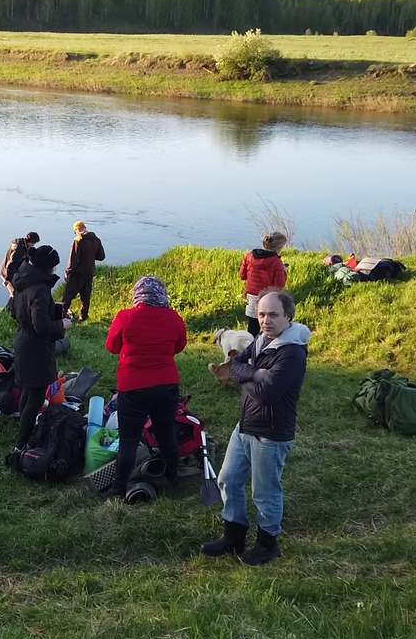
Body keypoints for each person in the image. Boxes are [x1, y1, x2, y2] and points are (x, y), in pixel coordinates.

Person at [201, 289, 310, 567]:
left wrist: (245, 376)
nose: (266, 320)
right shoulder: (261, 340)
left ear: (288, 316)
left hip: (271, 433)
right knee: (227, 478)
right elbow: (234, 365)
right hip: (246, 425)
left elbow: (267, 394)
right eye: (261, 314)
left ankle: (267, 545)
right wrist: (255, 374)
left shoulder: (293, 353)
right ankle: (233, 536)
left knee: (264, 491)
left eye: (273, 314)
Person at [104, 276, 188, 499]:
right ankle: (172, 475)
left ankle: (118, 487)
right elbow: (179, 346)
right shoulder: (174, 318)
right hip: (167, 384)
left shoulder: (125, 317)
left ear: (138, 294)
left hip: (132, 386)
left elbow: (112, 347)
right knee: (165, 432)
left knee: (129, 439)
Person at [11, 244, 72, 448]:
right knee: (36, 398)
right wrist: (62, 323)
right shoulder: (41, 289)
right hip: (35, 349)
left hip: (23, 342)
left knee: (28, 391)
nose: (55, 269)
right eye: (54, 266)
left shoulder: (23, 280)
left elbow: (15, 312)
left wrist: (51, 310)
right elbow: (41, 326)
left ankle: (22, 427)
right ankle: (23, 442)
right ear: (48, 267)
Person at [239, 232, 288, 337]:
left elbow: (242, 276)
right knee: (269, 328)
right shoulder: (276, 262)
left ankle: (250, 350)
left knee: (252, 329)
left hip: (251, 297)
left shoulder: (249, 256)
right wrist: (283, 272)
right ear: (280, 247)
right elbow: (279, 286)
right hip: (268, 298)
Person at [61, 221, 105, 322]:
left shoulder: (78, 240)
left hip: (77, 273)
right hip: (89, 271)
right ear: (85, 227)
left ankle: (61, 315)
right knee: (86, 295)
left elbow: (73, 259)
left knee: (68, 295)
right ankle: (83, 317)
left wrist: (68, 272)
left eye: (75, 231)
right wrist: (90, 256)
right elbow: (101, 256)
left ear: (77, 230)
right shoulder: (96, 239)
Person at [0, 231, 40, 306]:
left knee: (16, 292)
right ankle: (7, 311)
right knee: (14, 293)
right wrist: (7, 279)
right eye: (34, 243)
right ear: (30, 242)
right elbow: (11, 263)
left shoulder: (20, 243)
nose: (33, 245)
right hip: (7, 272)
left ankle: (11, 310)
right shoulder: (19, 250)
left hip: (9, 271)